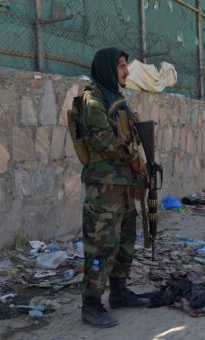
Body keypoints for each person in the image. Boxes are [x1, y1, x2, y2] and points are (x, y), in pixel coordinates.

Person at [77, 47, 150, 328]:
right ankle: (91, 304)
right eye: (122, 66)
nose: (127, 71)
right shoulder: (92, 98)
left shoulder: (116, 99)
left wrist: (141, 165)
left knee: (124, 241)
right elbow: (101, 141)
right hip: (104, 187)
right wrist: (133, 159)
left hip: (124, 186)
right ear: (108, 68)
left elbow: (128, 140)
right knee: (100, 246)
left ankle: (119, 292)